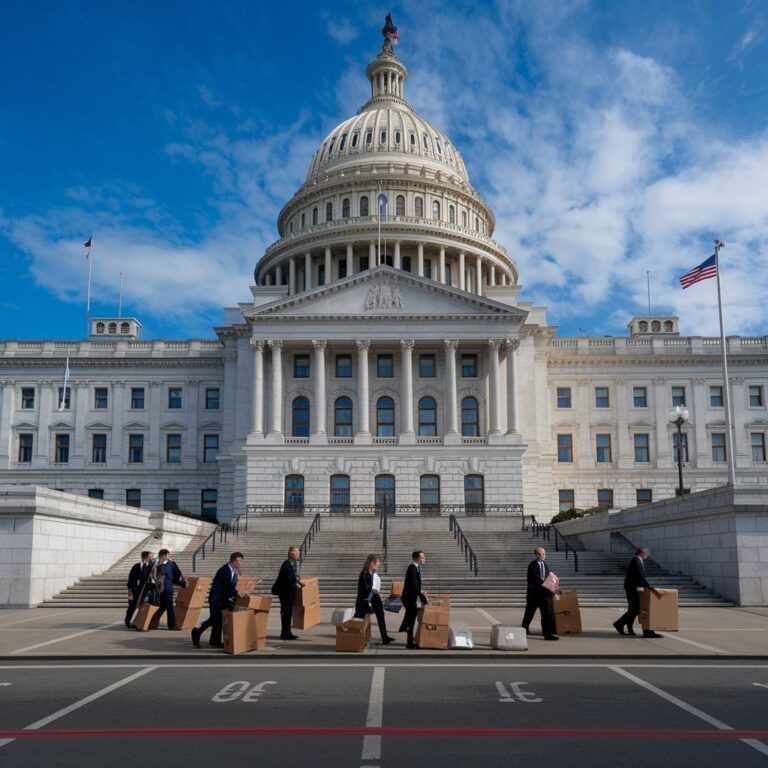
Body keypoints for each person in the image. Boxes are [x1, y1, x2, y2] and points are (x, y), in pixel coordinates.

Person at [192, 551, 244, 648]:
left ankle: (214, 641)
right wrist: (236, 593)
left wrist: (234, 594)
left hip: (222, 598)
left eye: (241, 561)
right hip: (216, 599)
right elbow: (228, 585)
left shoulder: (233, 571)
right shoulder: (225, 570)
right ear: (234, 561)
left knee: (217, 620)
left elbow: (230, 586)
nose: (240, 563)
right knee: (215, 619)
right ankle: (197, 631)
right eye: (239, 560)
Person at [614, 547, 664, 638]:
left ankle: (627, 627)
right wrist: (648, 586)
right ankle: (619, 624)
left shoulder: (637, 560)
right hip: (632, 588)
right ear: (641, 553)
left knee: (634, 609)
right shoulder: (636, 560)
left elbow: (638, 576)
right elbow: (639, 576)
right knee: (635, 609)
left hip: (633, 588)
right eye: (646, 553)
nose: (647, 555)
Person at [354, 554, 395, 645]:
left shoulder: (371, 574)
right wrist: (372, 589)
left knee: (380, 615)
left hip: (373, 598)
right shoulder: (364, 574)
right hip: (365, 600)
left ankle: (385, 637)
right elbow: (366, 588)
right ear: (372, 563)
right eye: (376, 565)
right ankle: (356, 640)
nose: (377, 567)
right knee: (359, 620)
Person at [521, 546, 559, 640]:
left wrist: (554, 586)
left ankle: (547, 634)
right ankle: (524, 629)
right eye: (540, 554)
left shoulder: (545, 565)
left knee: (547, 614)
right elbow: (537, 579)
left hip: (544, 595)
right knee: (529, 613)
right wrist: (547, 585)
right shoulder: (532, 565)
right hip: (534, 594)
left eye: (544, 554)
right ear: (536, 554)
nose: (543, 556)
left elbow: (548, 577)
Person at [150, 549, 187, 630]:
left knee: (167, 606)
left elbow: (177, 574)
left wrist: (182, 582)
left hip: (168, 589)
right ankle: (155, 622)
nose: (169, 557)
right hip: (158, 590)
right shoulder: (154, 564)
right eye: (167, 555)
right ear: (162, 556)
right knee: (165, 605)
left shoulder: (172, 564)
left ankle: (155, 623)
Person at [272, 546, 304, 640]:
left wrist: (296, 578)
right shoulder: (286, 564)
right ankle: (285, 633)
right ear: (290, 553)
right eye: (295, 552)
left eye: (298, 552)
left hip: (290, 592)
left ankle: (288, 632)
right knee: (286, 613)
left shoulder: (293, 563)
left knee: (289, 613)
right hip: (285, 593)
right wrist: (297, 582)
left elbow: (292, 576)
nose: (297, 554)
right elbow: (288, 578)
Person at [399, 550, 428, 649]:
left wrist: (420, 592)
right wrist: (422, 594)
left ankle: (405, 630)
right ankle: (409, 643)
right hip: (409, 599)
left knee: (411, 618)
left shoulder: (416, 568)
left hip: (412, 598)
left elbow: (416, 585)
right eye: (423, 557)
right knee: (411, 620)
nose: (424, 559)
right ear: (418, 558)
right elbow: (414, 585)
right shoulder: (412, 568)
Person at [125, 550, 153, 628]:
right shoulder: (136, 566)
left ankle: (138, 622)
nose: (151, 558)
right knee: (132, 606)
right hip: (136, 589)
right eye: (150, 556)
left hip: (146, 590)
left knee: (143, 607)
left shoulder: (151, 566)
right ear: (145, 557)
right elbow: (131, 578)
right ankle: (128, 621)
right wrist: (130, 590)